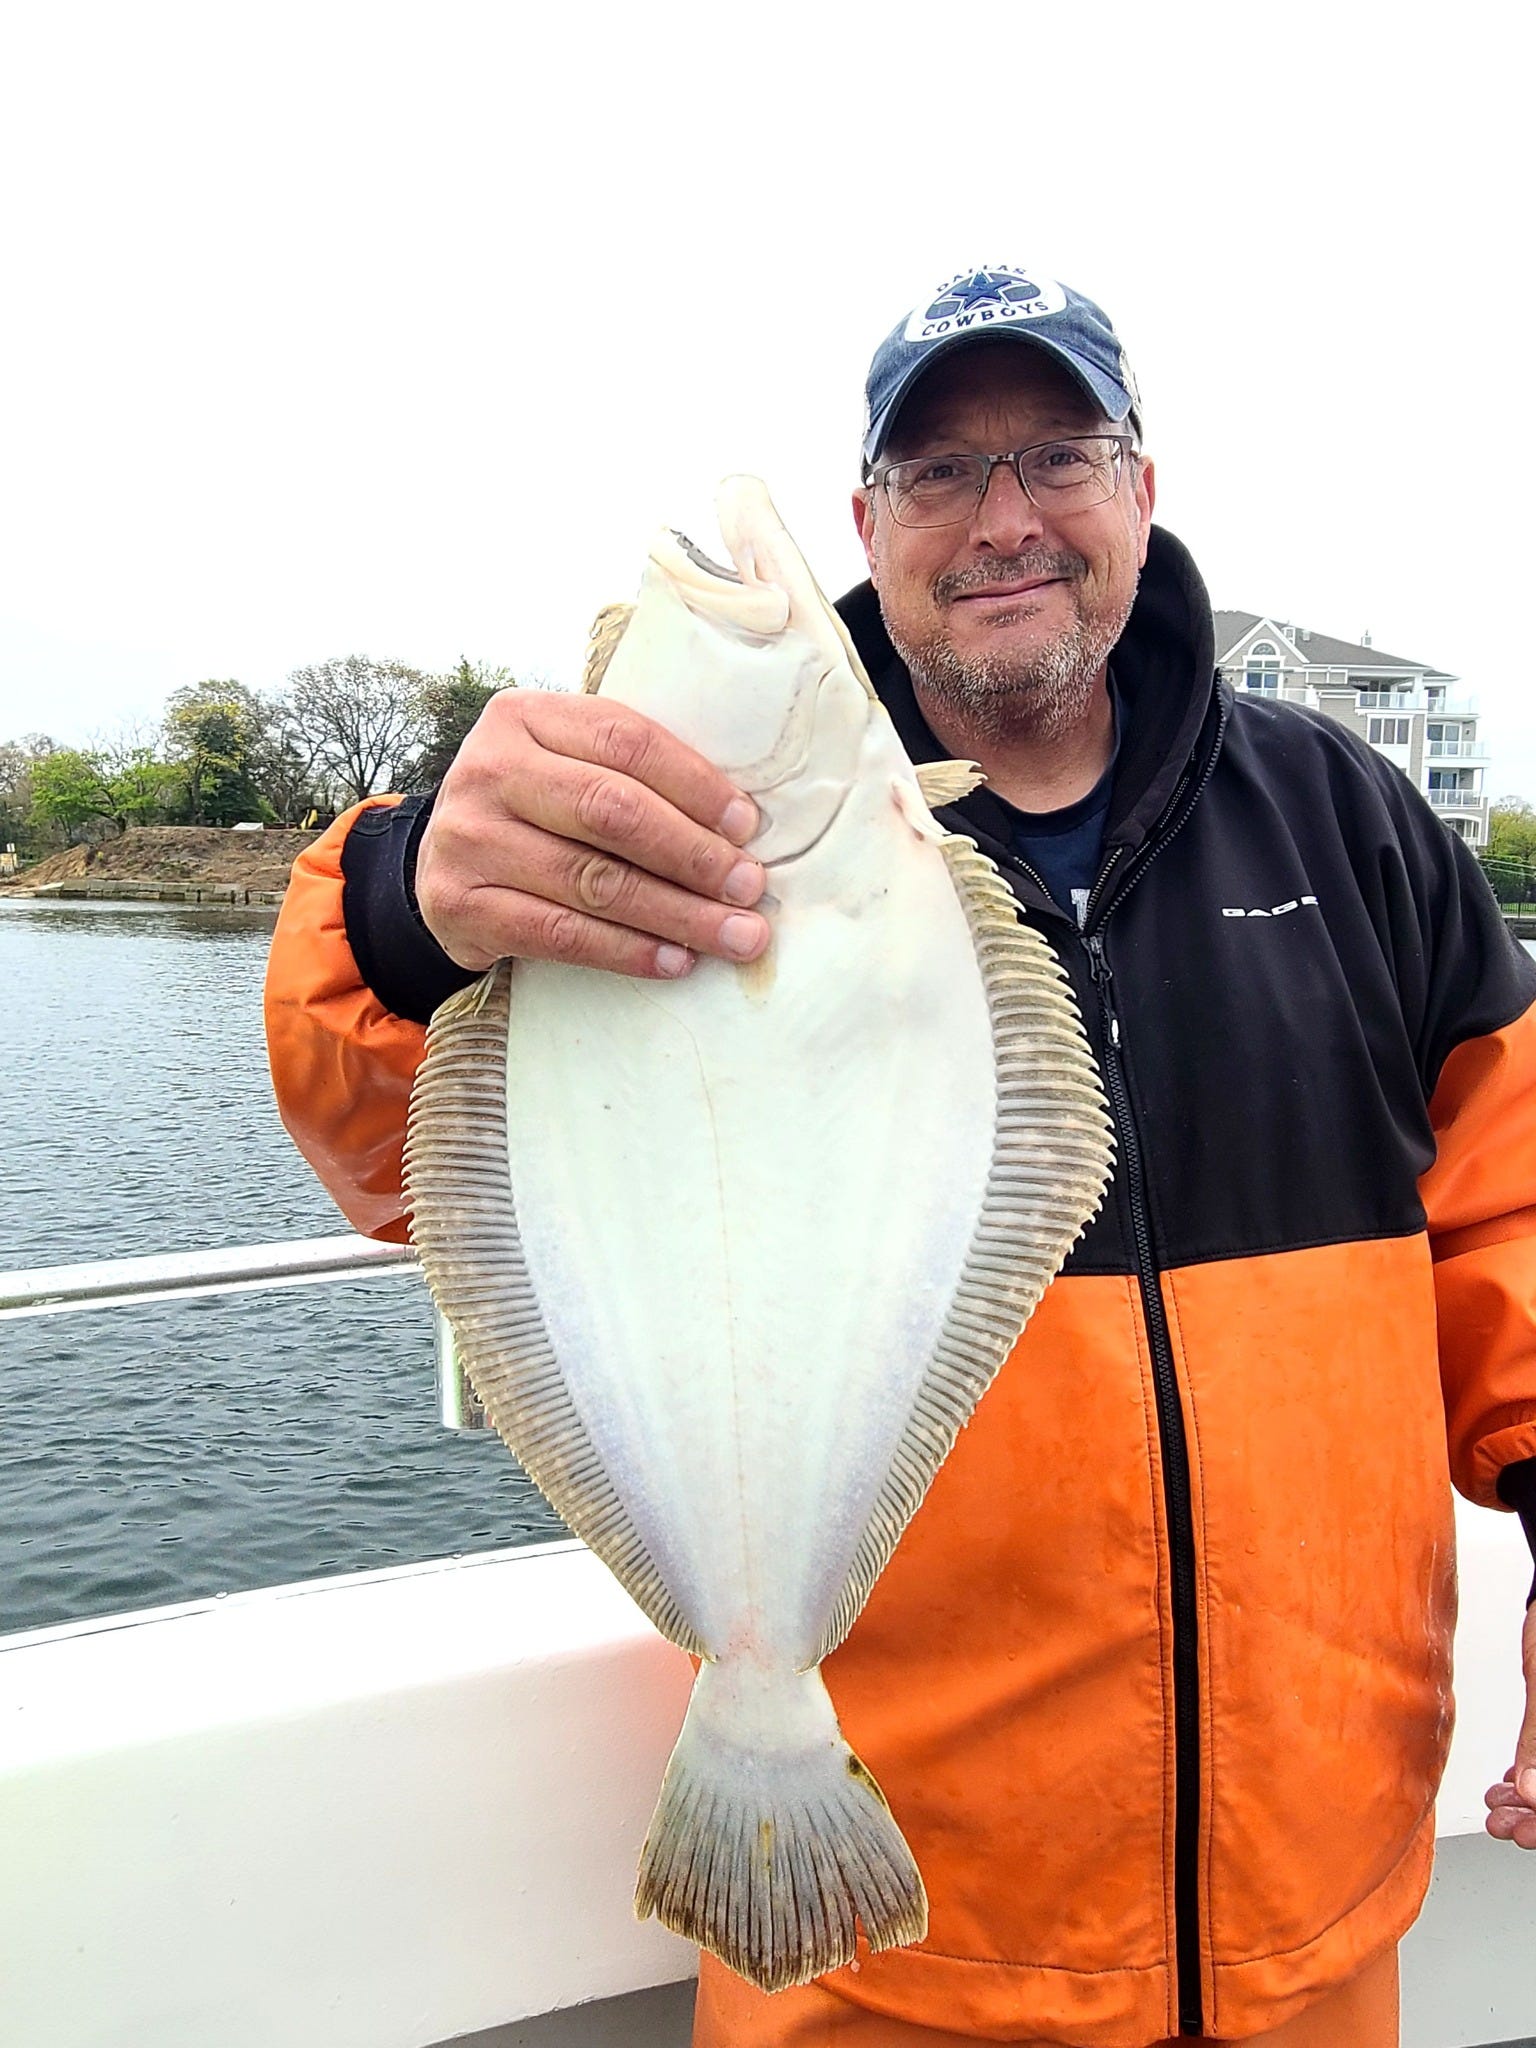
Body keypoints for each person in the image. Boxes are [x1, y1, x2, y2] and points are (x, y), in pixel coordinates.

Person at [264, 266, 1536, 2047]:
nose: (1004, 517)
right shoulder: (636, 862)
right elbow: (398, 1153)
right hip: (889, 1963)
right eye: (937, 471)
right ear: (870, 523)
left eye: (1057, 455)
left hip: (1315, 1907)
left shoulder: (1348, 816)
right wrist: (409, 909)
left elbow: (1519, 1220)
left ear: (1142, 490)